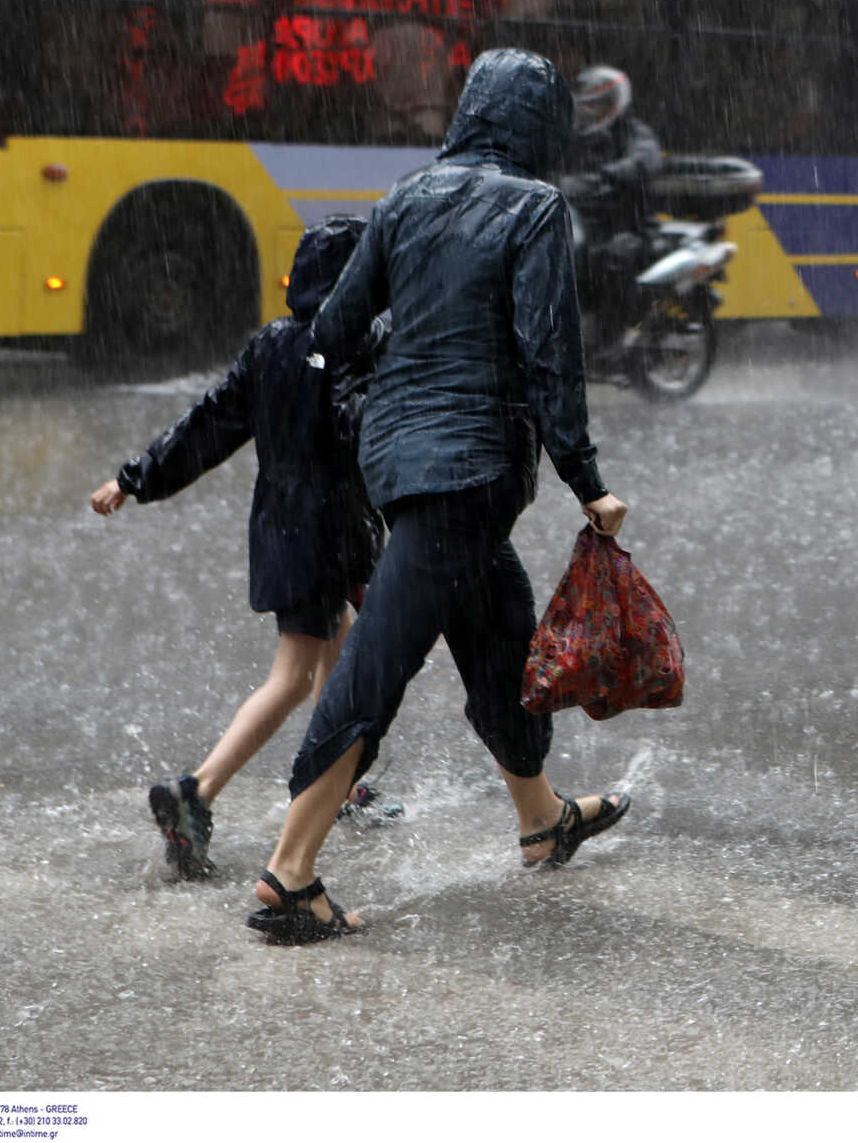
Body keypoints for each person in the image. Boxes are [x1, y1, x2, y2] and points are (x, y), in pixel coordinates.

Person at [245, 48, 631, 944]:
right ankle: (290, 874)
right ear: (540, 125)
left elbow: (335, 331)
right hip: (474, 468)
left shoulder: (407, 198)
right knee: (376, 664)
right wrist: (589, 481)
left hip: (406, 464)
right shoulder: (533, 208)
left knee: (503, 630)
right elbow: (549, 357)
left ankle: (542, 823)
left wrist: (413, 354)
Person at [89, 218, 384, 880]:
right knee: (293, 675)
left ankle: (340, 781)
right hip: (327, 531)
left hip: (281, 525)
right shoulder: (355, 347)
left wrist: (136, 478)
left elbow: (210, 422)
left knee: (335, 646)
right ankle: (196, 791)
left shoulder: (271, 345)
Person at [562, 65, 663, 345]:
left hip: (628, 224)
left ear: (616, 103)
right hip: (583, 222)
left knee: (610, 260)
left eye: (599, 105)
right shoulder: (574, 137)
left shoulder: (633, 132)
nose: (592, 112)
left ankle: (614, 336)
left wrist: (615, 172)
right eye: (588, 106)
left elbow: (645, 159)